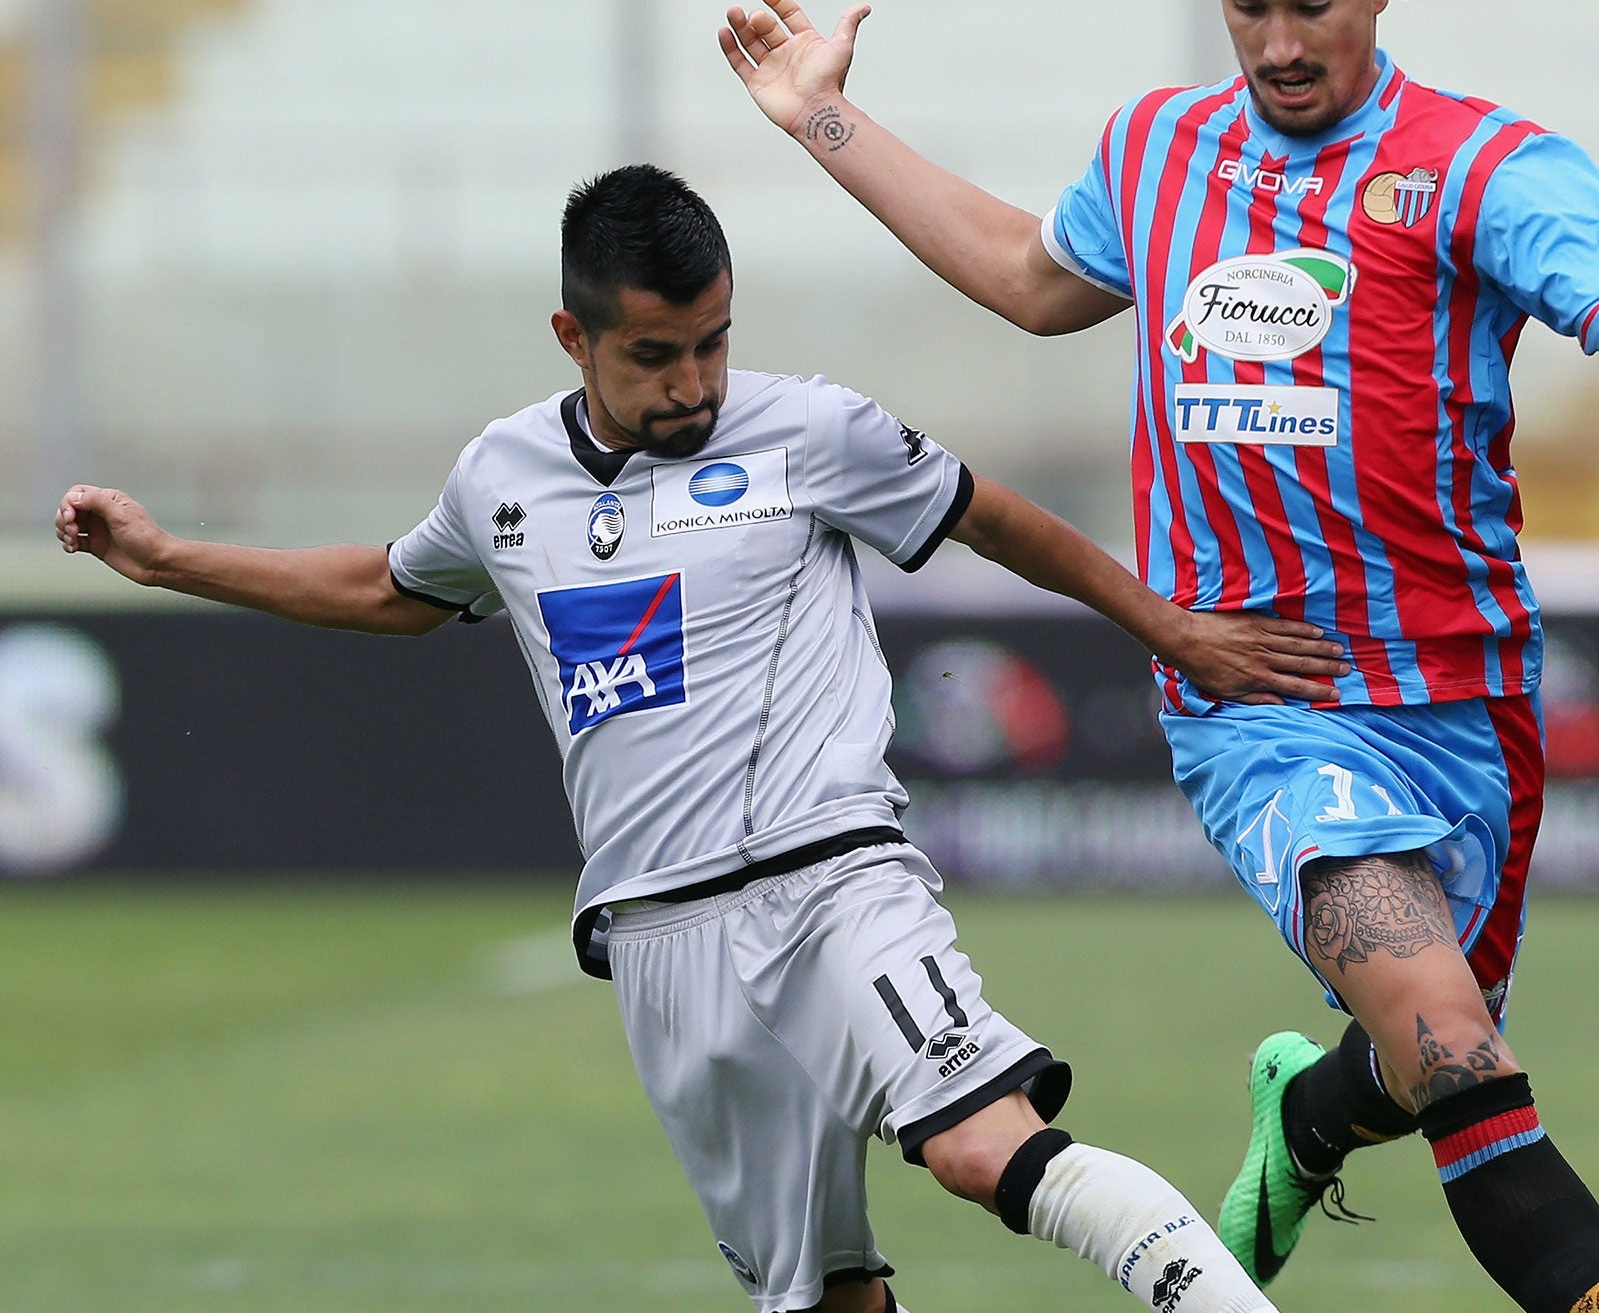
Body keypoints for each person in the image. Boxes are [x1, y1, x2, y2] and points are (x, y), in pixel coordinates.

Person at [718, 0, 1599, 1313]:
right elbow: (1026, 278)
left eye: (1311, 6)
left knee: (1423, 1061)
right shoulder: (1156, 151)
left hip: (1466, 708)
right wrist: (822, 115)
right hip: (1264, 702)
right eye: (1247, 7)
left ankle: (1309, 1114)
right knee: (1455, 1040)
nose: (1277, 44)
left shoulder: (1485, 167)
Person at [53, 165, 1352, 1313]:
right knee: (826, 1293)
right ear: (575, 336)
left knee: (978, 1146)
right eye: (657, 356)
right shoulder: (501, 478)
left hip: (832, 881)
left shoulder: (811, 432)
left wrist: (1169, 627)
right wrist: (168, 560)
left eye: (714, 346)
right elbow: (394, 592)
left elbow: (994, 518)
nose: (693, 384)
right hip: (663, 940)